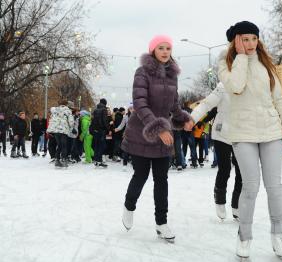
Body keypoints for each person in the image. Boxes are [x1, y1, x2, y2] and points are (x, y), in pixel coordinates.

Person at [218, 21, 282, 260]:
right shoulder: (226, 64)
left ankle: (277, 235)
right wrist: (241, 57)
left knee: (274, 186)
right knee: (250, 185)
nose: (251, 44)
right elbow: (236, 87)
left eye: (254, 39)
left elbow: (280, 99)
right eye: (245, 39)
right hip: (243, 132)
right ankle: (245, 236)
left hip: (271, 130)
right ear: (235, 41)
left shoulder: (266, 64)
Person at [120, 35, 193, 242]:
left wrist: (183, 119)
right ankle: (129, 206)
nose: (165, 51)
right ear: (153, 50)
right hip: (141, 133)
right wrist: (159, 127)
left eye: (168, 48)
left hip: (163, 137)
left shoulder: (172, 76)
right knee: (141, 175)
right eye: (160, 47)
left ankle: (161, 223)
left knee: (162, 180)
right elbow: (140, 104)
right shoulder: (142, 72)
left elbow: (174, 106)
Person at [191, 82, 243, 221]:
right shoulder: (223, 85)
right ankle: (220, 198)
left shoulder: (250, 84)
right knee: (225, 168)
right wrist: (192, 119)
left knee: (242, 171)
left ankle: (237, 204)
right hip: (222, 133)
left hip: (242, 134)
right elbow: (207, 104)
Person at [47, 100, 74, 167]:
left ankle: (57, 160)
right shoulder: (68, 111)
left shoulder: (55, 110)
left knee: (59, 145)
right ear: (66, 104)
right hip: (64, 131)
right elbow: (71, 121)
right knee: (64, 145)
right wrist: (71, 127)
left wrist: (50, 129)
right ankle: (64, 160)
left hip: (56, 131)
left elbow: (51, 120)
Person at [90, 98, 109, 168]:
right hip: (101, 130)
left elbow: (92, 120)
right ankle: (99, 161)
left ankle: (96, 160)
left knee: (97, 145)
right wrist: (107, 129)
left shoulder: (95, 110)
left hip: (95, 130)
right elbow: (105, 120)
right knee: (102, 146)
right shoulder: (104, 110)